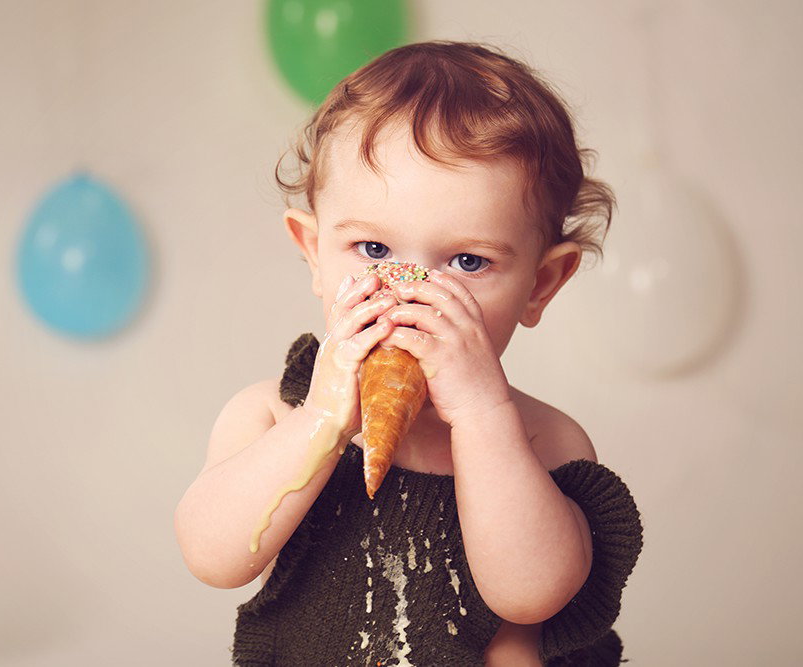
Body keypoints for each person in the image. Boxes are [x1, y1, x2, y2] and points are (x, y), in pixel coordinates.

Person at [175, 40, 643, 666]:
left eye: (468, 261)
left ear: (540, 284)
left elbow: (530, 596)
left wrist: (482, 417)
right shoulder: (271, 415)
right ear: (314, 252)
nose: (409, 289)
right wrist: (323, 419)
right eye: (373, 250)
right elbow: (213, 557)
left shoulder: (543, 442)